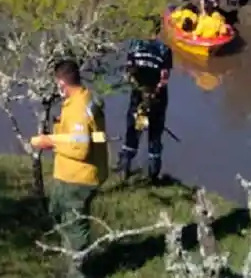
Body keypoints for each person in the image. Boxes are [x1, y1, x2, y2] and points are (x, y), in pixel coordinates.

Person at [31, 60, 108, 277]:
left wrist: (50, 142)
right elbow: (95, 136)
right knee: (57, 213)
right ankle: (71, 260)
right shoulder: (89, 98)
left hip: (78, 178)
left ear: (62, 83)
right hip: (73, 174)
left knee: (74, 227)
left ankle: (77, 272)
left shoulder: (77, 109)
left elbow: (80, 148)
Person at [116, 18, 173, 182]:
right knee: (155, 135)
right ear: (158, 30)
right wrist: (153, 94)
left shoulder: (134, 46)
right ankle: (153, 175)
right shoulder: (164, 50)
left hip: (139, 101)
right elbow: (164, 78)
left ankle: (125, 166)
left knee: (136, 130)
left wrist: (142, 92)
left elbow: (128, 74)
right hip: (157, 102)